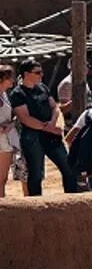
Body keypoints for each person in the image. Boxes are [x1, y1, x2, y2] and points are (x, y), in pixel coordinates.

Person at [10, 60, 80, 195]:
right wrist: (48, 127)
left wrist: (53, 122)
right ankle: (37, 206)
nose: (41, 75)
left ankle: (71, 199)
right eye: (37, 72)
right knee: (36, 173)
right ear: (26, 74)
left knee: (68, 167)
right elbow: (25, 118)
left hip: (50, 134)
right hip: (33, 137)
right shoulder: (18, 94)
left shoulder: (42, 88)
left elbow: (54, 106)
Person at [0, 65, 17, 196]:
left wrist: (11, 124)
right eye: (9, 78)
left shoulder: (4, 94)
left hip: (5, 138)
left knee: (3, 178)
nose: (12, 80)